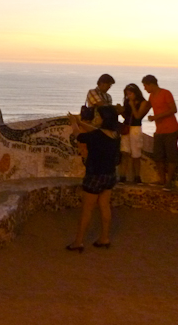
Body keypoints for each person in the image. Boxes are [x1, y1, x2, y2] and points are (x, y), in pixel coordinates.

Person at [66, 106, 120, 252]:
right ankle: (104, 238)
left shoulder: (97, 136)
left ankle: (78, 242)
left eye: (98, 116)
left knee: (87, 210)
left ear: (103, 118)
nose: (96, 118)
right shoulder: (115, 134)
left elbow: (79, 136)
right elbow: (97, 132)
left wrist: (74, 123)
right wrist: (81, 122)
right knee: (104, 206)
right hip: (109, 175)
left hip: (95, 175)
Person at [140, 75, 178, 191]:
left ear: (151, 84)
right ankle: (162, 180)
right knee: (158, 156)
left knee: (171, 157)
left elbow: (173, 109)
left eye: (145, 86)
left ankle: (169, 182)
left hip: (171, 129)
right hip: (159, 130)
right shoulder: (151, 96)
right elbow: (144, 109)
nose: (145, 89)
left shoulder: (166, 93)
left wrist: (156, 116)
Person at [118, 84, 148, 184]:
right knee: (124, 152)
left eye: (130, 94)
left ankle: (137, 176)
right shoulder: (127, 101)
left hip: (135, 128)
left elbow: (138, 116)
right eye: (127, 94)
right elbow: (126, 116)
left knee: (136, 154)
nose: (128, 96)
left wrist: (132, 105)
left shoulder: (143, 102)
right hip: (127, 127)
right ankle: (122, 176)